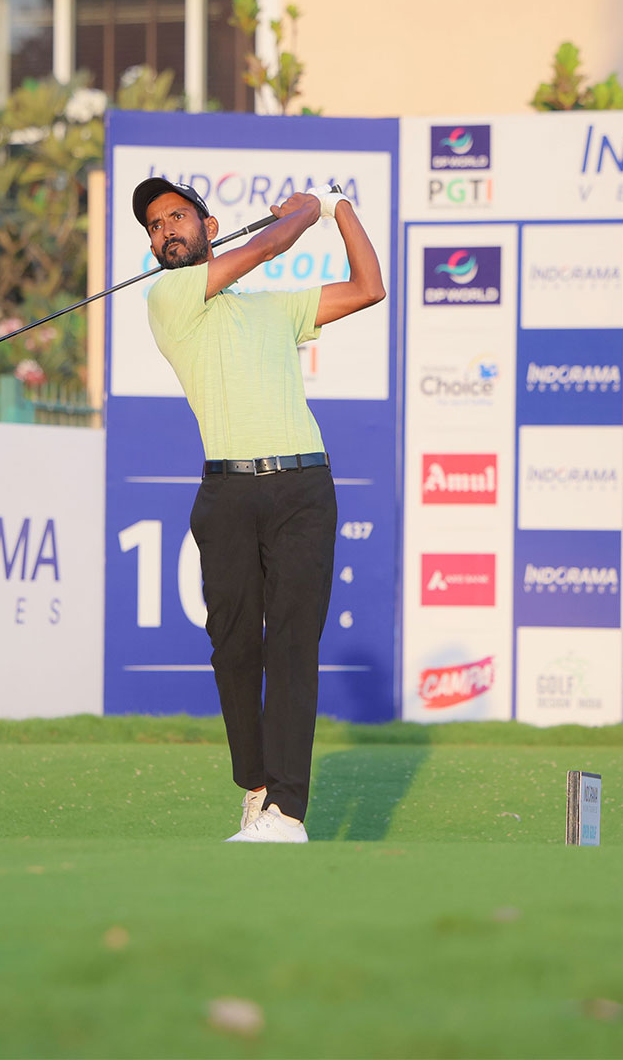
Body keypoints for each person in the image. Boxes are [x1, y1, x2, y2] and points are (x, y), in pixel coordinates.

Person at [135, 175, 384, 843]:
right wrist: (303, 212)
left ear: (209, 228)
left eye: (177, 217)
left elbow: (368, 288)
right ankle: (258, 785)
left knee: (294, 647)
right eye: (156, 226)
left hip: (303, 488)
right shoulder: (168, 297)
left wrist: (338, 209)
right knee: (235, 651)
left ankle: (287, 812)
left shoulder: (275, 309)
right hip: (228, 494)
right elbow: (270, 245)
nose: (166, 230)